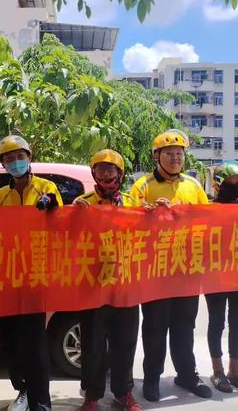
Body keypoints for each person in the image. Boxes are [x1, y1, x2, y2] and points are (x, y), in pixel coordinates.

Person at [130, 130, 212, 402]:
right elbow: (126, 220)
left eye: (179, 154)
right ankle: (151, 379)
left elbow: (209, 220)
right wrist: (149, 210)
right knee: (154, 327)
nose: (176, 158)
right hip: (155, 271)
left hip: (187, 270)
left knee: (184, 328)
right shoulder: (142, 185)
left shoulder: (193, 185)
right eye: (169, 154)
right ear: (156, 156)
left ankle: (187, 375)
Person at [0, 135, 63, 411]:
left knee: (35, 344)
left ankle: (41, 403)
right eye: (9, 159)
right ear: (2, 164)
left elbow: (59, 213)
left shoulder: (47, 187)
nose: (15, 163)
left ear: (29, 157)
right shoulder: (2, 194)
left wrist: (50, 204)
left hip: (35, 276)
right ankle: (22, 390)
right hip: (7, 276)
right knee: (9, 340)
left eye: (19, 157)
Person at [73, 150, 142, 411]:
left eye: (110, 169)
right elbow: (70, 238)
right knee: (92, 343)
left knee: (125, 342)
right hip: (92, 285)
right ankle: (91, 395)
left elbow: (147, 236)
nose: (106, 174)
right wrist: (74, 214)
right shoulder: (83, 202)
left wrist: (154, 214)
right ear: (93, 173)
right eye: (100, 169)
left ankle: (124, 393)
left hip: (125, 285)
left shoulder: (131, 203)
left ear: (120, 173)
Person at [205, 160, 238, 393]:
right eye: (231, 182)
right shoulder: (205, 209)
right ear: (219, 184)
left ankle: (234, 370)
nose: (236, 185)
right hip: (214, 275)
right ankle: (217, 371)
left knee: (237, 323)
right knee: (217, 323)